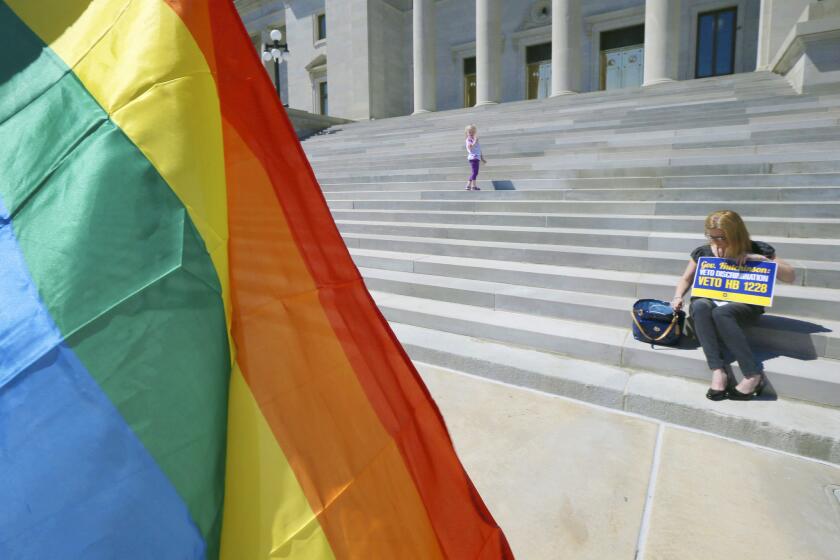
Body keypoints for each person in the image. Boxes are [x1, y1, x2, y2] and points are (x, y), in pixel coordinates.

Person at [671, 210, 796, 401]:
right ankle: (717, 370)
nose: (715, 241)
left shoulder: (757, 249)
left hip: (743, 304)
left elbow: (791, 277)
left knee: (722, 313)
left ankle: (753, 374)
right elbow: (686, 278)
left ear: (735, 233)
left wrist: (762, 260)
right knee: (699, 307)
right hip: (710, 298)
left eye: (721, 237)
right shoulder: (703, 252)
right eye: (711, 236)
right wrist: (678, 296)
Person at [464, 124, 487, 191]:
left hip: (477, 158)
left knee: (475, 172)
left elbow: (479, 150)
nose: (471, 133)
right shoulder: (468, 140)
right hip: (473, 157)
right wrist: (474, 142)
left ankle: (468, 185)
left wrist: (482, 159)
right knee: (475, 172)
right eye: (470, 132)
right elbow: (470, 148)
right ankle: (473, 186)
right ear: (467, 133)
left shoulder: (474, 139)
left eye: (473, 132)